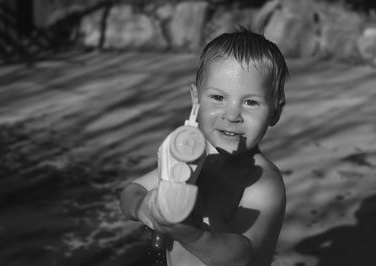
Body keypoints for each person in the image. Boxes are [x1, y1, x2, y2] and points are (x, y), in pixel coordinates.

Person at [120, 27, 288, 266]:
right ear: (196, 99)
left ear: (275, 111)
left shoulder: (262, 181)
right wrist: (142, 208)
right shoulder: (190, 158)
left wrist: (190, 231)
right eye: (218, 97)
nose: (232, 114)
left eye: (250, 102)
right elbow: (131, 191)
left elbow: (240, 256)